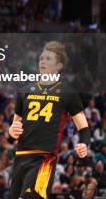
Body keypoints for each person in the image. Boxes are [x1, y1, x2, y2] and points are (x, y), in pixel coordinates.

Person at [8, 41, 90, 199]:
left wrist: (84, 144)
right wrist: (12, 131)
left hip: (45, 158)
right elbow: (14, 127)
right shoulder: (25, 90)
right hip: (21, 155)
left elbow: (84, 127)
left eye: (48, 59)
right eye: (41, 58)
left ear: (58, 66)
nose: (43, 61)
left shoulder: (68, 92)